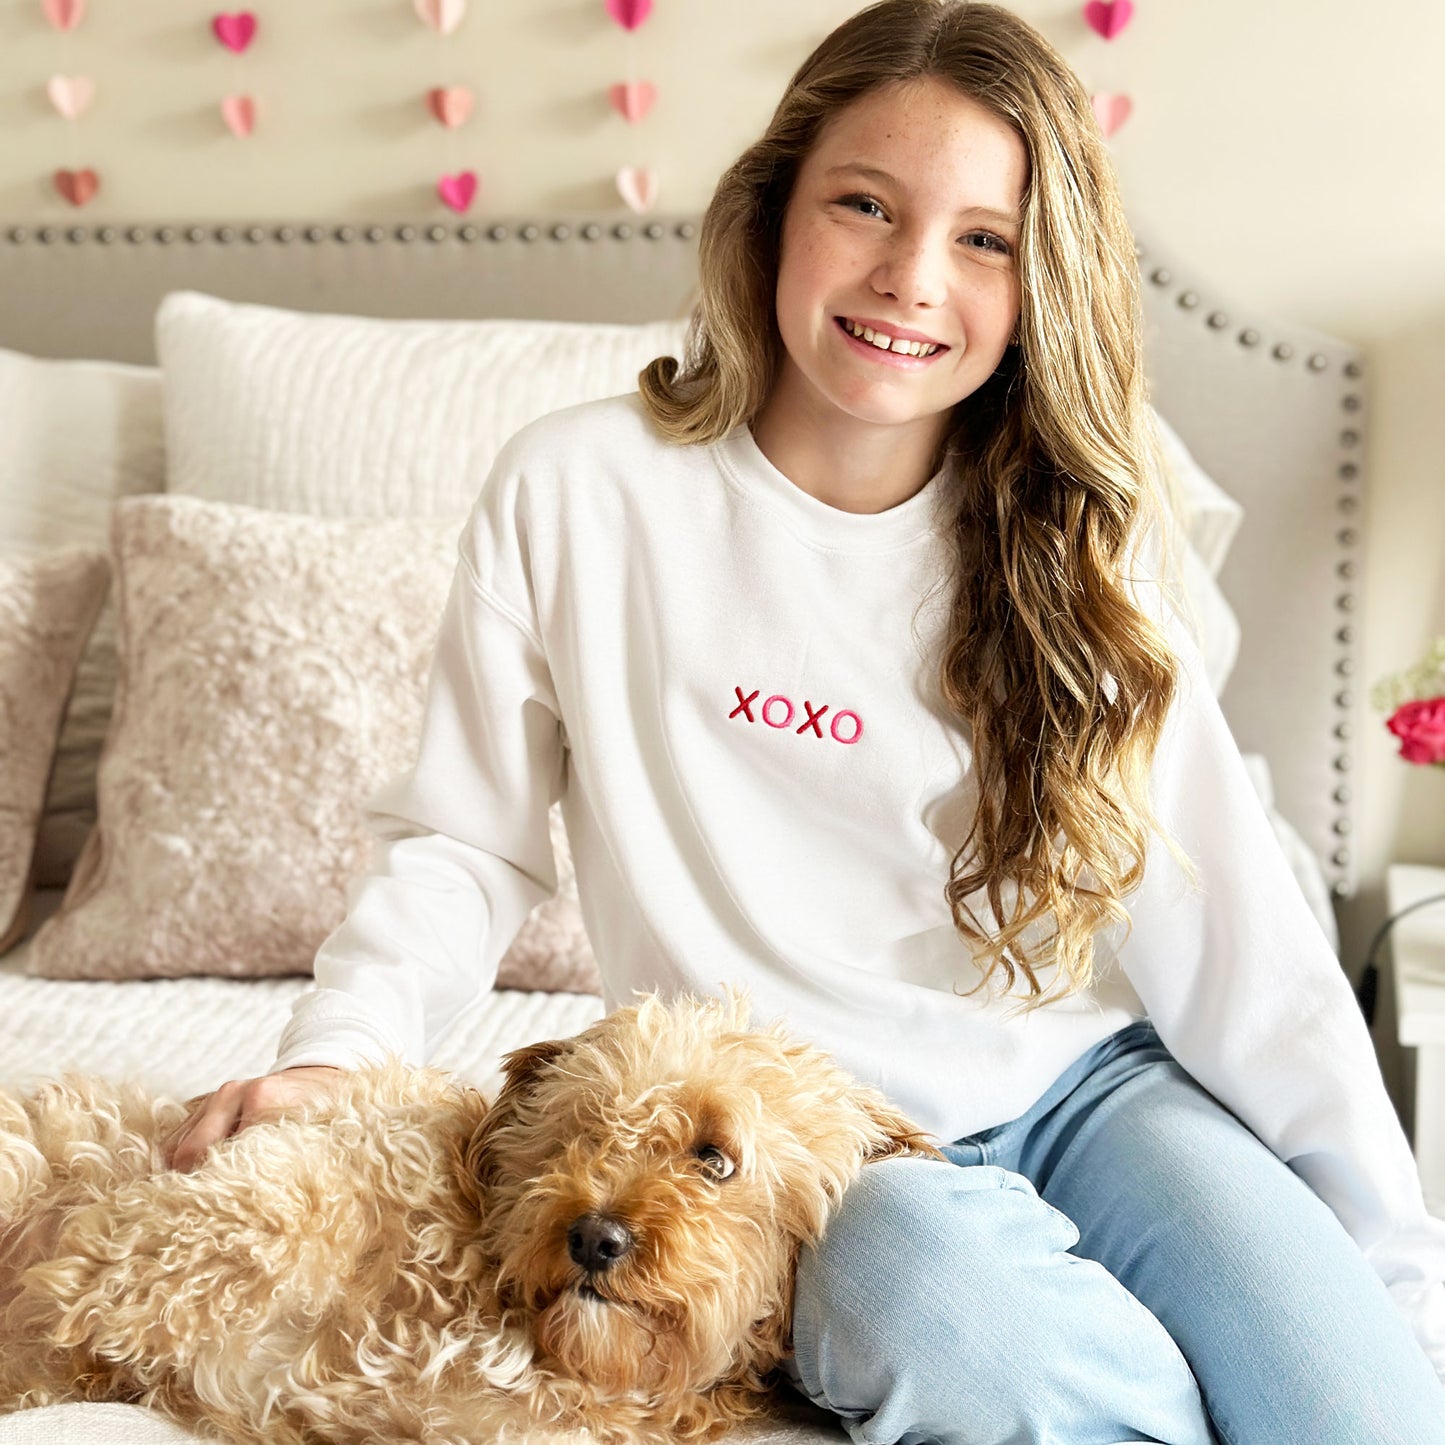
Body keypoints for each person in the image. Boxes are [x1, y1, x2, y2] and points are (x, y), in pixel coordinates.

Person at [166, 1, 1445, 1439]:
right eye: (864, 205)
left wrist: (1396, 1286)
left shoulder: (1077, 542)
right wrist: (334, 1051)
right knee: (942, 1300)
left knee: (1365, 1408)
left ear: (1039, 281)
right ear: (774, 209)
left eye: (984, 238)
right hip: (797, 1156)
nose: (911, 277)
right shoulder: (578, 493)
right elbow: (465, 845)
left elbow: (1244, 957)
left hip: (1091, 1096)